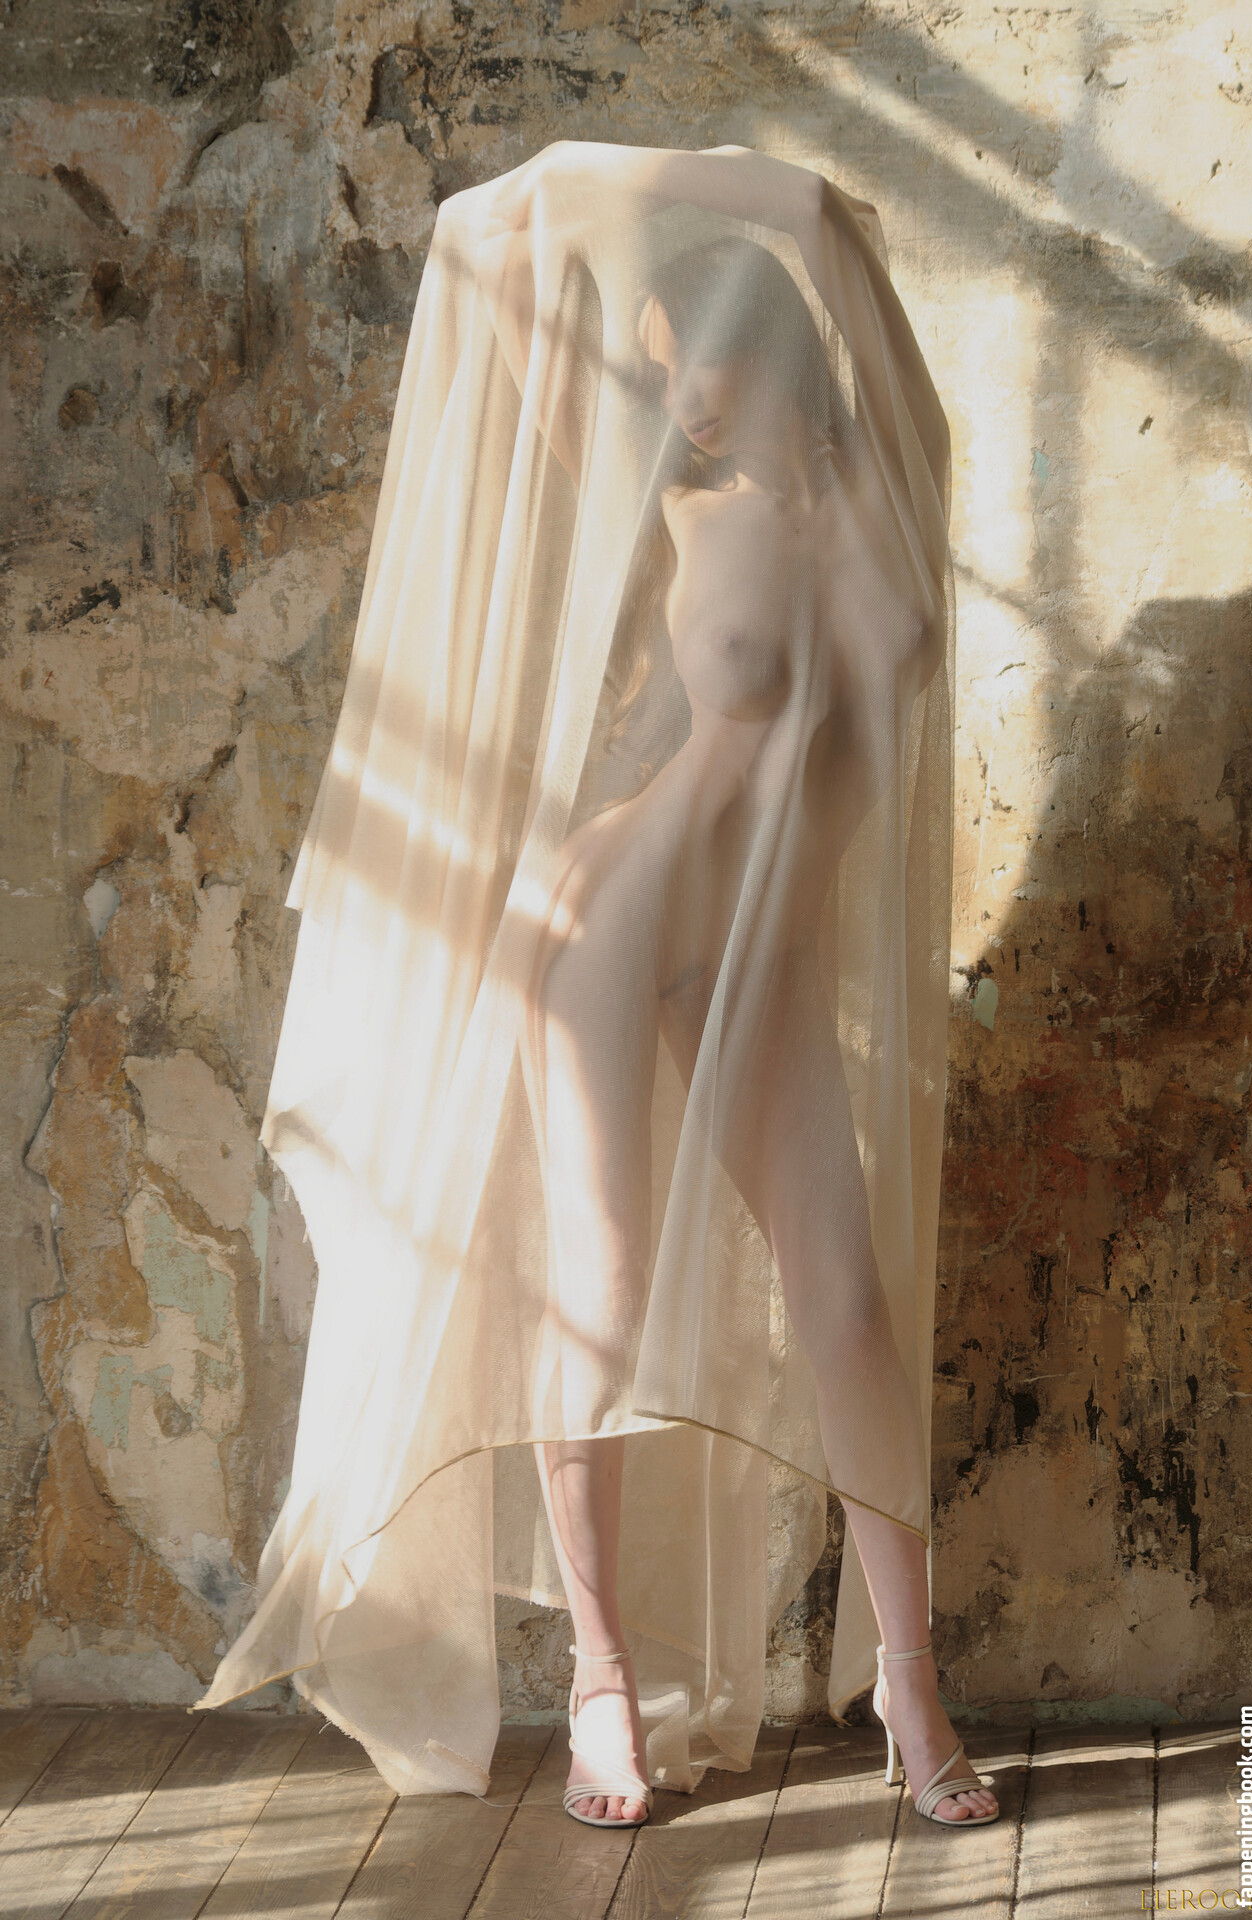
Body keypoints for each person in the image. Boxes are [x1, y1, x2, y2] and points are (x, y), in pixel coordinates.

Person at [196, 140, 996, 1837]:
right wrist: (569, 176)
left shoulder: (897, 488)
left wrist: (745, 194)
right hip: (610, 920)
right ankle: (602, 1681)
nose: (669, 395)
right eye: (648, 365)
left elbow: (824, 244)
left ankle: (911, 1681)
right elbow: (488, 259)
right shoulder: (670, 508)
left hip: (765, 953)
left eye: (682, 354)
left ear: (761, 341)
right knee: (602, 1298)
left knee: (847, 1305)